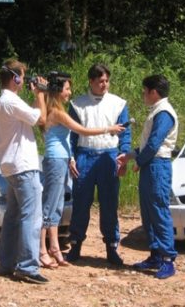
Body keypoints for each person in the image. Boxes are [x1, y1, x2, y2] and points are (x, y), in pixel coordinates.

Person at [39, 75, 125, 268]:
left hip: (63, 158)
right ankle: (42, 250)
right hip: (58, 159)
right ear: (57, 91)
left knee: (57, 205)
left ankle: (54, 248)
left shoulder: (53, 109)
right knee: (51, 205)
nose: (69, 92)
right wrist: (108, 129)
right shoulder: (57, 112)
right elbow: (82, 131)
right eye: (67, 89)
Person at [66, 64, 132, 265]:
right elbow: (71, 135)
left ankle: (112, 247)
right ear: (91, 82)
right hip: (84, 156)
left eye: (107, 81)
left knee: (109, 204)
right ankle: (75, 245)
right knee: (80, 204)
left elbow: (125, 132)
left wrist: (123, 155)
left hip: (109, 157)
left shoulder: (118, 103)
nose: (104, 85)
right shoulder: (78, 104)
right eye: (100, 81)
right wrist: (71, 157)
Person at [0, 59, 49, 284]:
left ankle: (5, 263)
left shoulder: (2, 101)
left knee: (13, 217)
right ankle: (27, 266)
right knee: (31, 216)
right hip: (23, 167)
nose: (24, 80)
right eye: (22, 76)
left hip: (11, 167)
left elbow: (31, 117)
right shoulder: (11, 101)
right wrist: (41, 94)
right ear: (15, 78)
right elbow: (41, 118)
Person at [116, 74, 178, 279]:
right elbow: (145, 144)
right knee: (148, 212)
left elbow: (154, 143)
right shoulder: (156, 111)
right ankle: (155, 254)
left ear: (153, 92)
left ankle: (168, 259)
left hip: (157, 166)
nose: (143, 94)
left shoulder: (164, 113)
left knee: (159, 211)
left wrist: (139, 162)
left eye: (145, 91)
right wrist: (131, 155)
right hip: (150, 165)